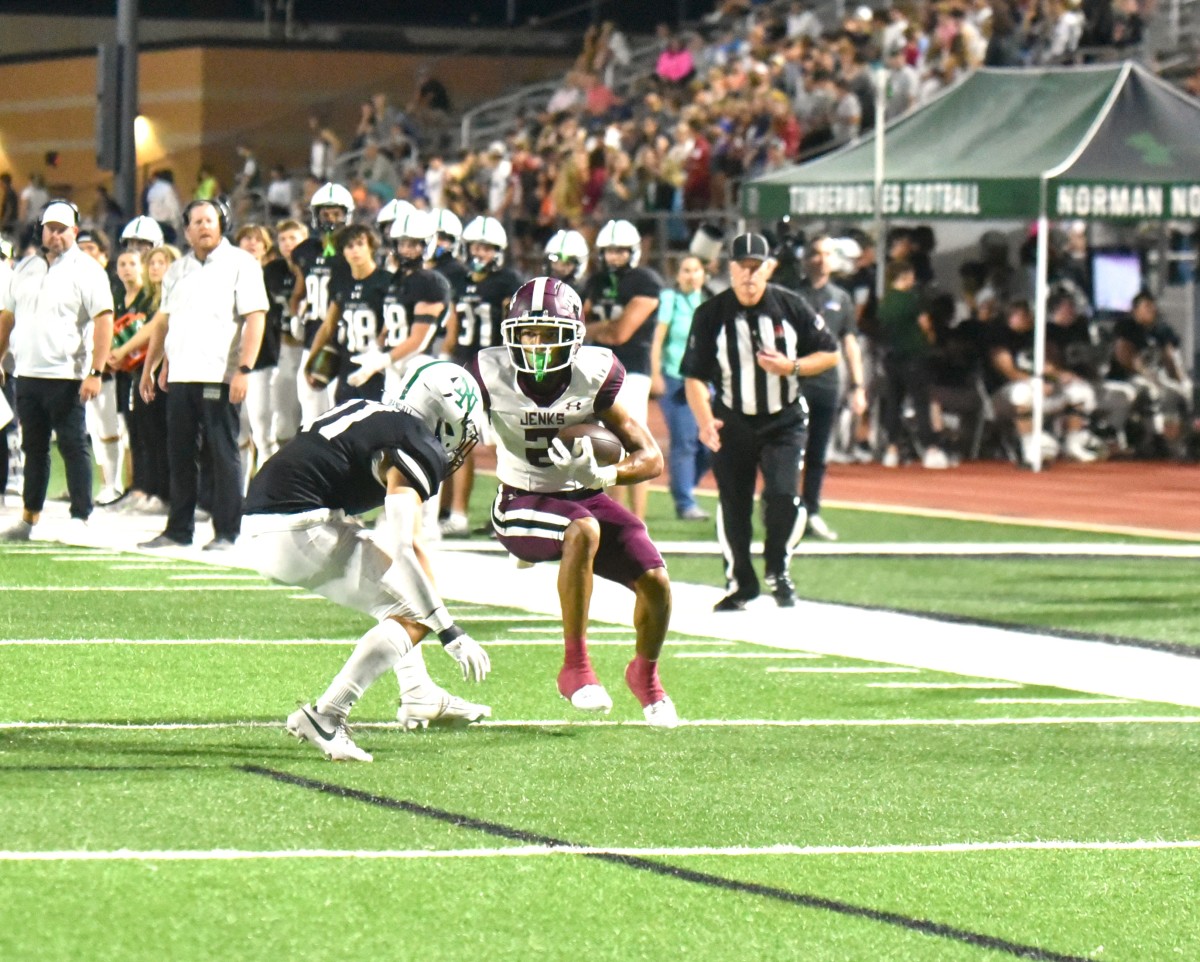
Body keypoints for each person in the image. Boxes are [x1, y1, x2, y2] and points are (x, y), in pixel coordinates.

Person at [242, 361, 492, 761]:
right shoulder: (415, 443)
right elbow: (404, 544)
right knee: (414, 612)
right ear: (444, 416)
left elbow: (406, 546)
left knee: (408, 591)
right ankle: (327, 714)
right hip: (297, 529)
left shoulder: (369, 411)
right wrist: (450, 631)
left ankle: (418, 693)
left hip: (266, 522)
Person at [473, 276, 679, 728]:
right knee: (581, 529)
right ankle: (576, 667)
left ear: (575, 337)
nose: (537, 346)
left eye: (550, 336)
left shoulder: (595, 373)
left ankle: (644, 675)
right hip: (519, 499)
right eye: (528, 334)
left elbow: (651, 457)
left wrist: (607, 473)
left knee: (657, 581)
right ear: (512, 334)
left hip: (582, 494)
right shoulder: (488, 373)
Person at [681, 233, 839, 612]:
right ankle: (741, 584)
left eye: (757, 267)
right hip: (732, 419)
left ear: (769, 268)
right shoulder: (711, 314)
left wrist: (793, 367)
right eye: (742, 267)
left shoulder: (791, 305)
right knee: (733, 504)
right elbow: (694, 377)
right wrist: (705, 421)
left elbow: (829, 353)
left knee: (784, 497)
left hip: (783, 418)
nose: (750, 275)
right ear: (730, 269)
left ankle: (777, 565)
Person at [137, 199, 267, 551]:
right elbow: (165, 321)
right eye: (196, 222)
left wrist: (244, 368)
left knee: (223, 454)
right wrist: (155, 365)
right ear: (186, 230)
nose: (203, 226)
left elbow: (255, 317)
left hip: (218, 374)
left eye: (209, 220)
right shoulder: (177, 270)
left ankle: (227, 530)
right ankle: (179, 529)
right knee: (179, 455)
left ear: (222, 222)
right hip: (181, 375)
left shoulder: (242, 263)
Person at [0, 200, 114, 540]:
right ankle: (29, 518)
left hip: (68, 375)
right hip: (28, 374)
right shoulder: (25, 268)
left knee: (73, 446)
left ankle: (81, 517)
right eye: (51, 228)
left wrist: (96, 371)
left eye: (63, 229)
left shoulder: (88, 270)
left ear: (75, 232)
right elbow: (7, 318)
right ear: (43, 230)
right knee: (33, 449)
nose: (56, 234)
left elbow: (103, 320)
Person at [441, 215, 523, 537]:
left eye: (488, 248)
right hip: (462, 363)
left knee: (500, 444)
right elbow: (451, 323)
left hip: (496, 367)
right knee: (459, 441)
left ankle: (509, 511)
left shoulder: (507, 280)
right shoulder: (458, 280)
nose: (481, 252)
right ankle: (457, 514)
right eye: (477, 246)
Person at [582, 219, 662, 521]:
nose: (614, 257)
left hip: (631, 371)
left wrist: (591, 329)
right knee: (605, 444)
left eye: (620, 251)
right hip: (597, 369)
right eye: (610, 251)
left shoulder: (645, 280)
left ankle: (637, 519)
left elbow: (620, 334)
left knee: (636, 442)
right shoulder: (595, 281)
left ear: (633, 252)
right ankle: (612, 515)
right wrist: (598, 328)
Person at [792, 235, 866, 540]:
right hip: (794, 384)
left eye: (827, 254)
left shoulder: (842, 298)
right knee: (790, 450)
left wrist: (858, 386)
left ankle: (812, 511)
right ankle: (786, 511)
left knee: (818, 453)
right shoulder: (793, 295)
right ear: (807, 258)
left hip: (827, 385)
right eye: (816, 254)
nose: (822, 260)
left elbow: (850, 342)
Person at [650, 254, 712, 521]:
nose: (690, 275)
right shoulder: (670, 300)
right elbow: (657, 338)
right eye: (685, 270)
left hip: (706, 380)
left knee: (710, 443)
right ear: (678, 275)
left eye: (695, 270)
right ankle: (685, 502)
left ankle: (682, 485)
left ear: (703, 274)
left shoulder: (708, 301)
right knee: (685, 440)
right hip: (676, 378)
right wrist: (655, 373)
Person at [305, 223, 393, 404]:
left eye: (360, 244)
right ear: (343, 252)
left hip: (378, 364)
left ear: (371, 246)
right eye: (349, 246)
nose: (355, 250)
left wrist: (378, 351)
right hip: (348, 361)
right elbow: (329, 325)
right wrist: (310, 361)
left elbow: (391, 324)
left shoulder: (386, 281)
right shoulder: (341, 282)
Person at [289, 182, 354, 424]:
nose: (331, 219)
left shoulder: (353, 249)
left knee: (339, 415)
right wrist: (295, 315)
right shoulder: (305, 251)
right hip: (312, 337)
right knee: (311, 413)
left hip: (342, 342)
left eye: (336, 214)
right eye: (325, 214)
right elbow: (298, 292)